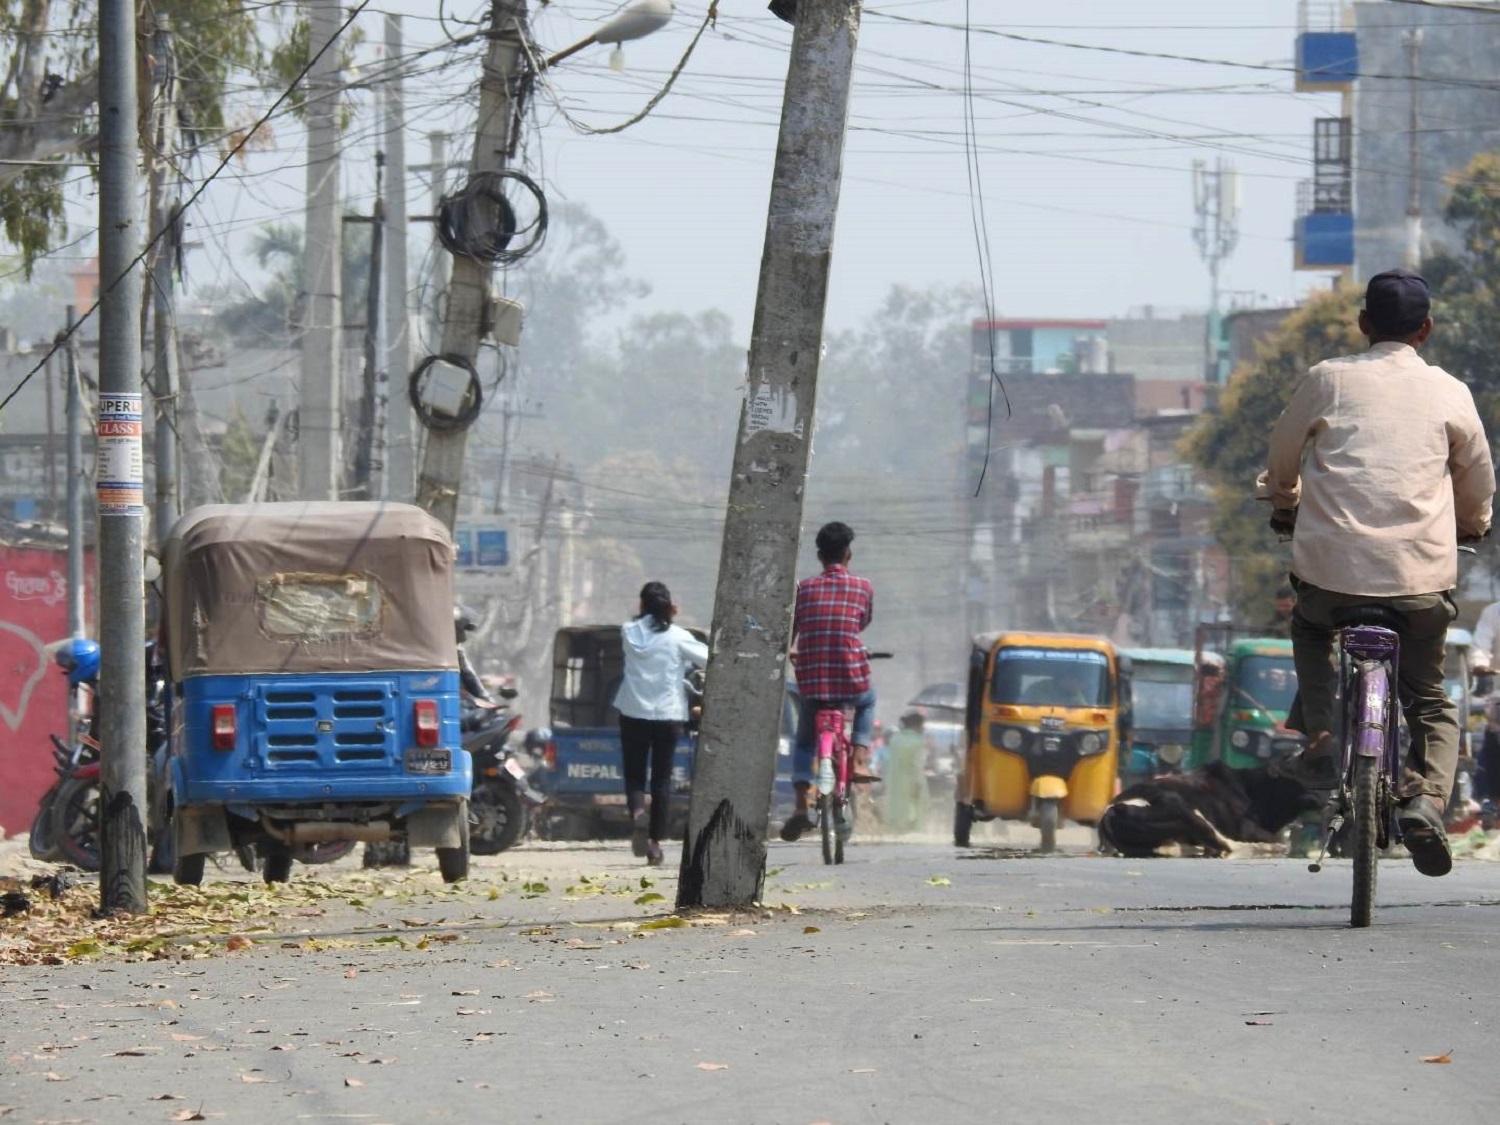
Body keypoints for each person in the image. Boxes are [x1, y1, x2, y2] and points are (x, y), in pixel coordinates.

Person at [1259, 268, 1494, 878]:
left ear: (1364, 325)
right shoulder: (1452, 392)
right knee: (1430, 700)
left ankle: (1320, 735)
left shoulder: (1327, 379)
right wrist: (1471, 524)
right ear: (1428, 329)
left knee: (1310, 629)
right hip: (1420, 582)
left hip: (1329, 579)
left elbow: (1283, 457)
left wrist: (1284, 502)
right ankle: (1429, 803)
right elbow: (1477, 484)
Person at [781, 521, 876, 843]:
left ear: (820, 556)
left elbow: (794, 627)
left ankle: (798, 807)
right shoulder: (863, 587)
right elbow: (860, 622)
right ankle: (860, 761)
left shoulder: (804, 589)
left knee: (805, 741)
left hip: (812, 682)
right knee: (868, 700)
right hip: (850, 677)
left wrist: (794, 650)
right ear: (848, 554)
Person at [613, 581, 708, 866]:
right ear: (669, 606)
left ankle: (638, 814)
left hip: (632, 712)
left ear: (641, 605)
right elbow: (707, 658)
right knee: (662, 780)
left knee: (634, 774)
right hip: (668, 716)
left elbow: (641, 626)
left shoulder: (628, 633)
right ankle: (654, 845)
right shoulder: (679, 636)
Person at [881, 710, 930, 835]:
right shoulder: (918, 742)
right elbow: (917, 765)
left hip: (894, 780)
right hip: (911, 780)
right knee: (913, 806)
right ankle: (911, 829)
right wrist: (918, 782)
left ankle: (897, 829)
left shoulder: (895, 739)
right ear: (917, 725)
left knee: (896, 807)